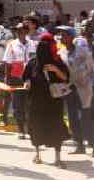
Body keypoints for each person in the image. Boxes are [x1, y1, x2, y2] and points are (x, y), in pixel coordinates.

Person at [23, 34, 71, 168]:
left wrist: (55, 70)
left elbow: (66, 78)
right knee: (36, 127)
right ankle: (37, 155)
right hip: (36, 102)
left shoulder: (57, 62)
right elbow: (26, 78)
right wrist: (27, 83)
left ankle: (57, 158)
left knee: (55, 127)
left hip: (53, 102)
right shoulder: (32, 63)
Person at [56, 26, 94, 157]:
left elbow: (92, 70)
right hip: (69, 90)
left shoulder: (83, 51)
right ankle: (79, 145)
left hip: (83, 89)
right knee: (72, 118)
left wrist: (80, 76)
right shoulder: (61, 52)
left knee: (85, 118)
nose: (61, 37)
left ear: (71, 36)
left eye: (63, 35)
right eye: (60, 35)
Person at [4, 23, 35, 138]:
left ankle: (30, 129)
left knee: (29, 104)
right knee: (18, 105)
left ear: (26, 32)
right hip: (15, 78)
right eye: (17, 31)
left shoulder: (32, 44)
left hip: (29, 78)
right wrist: (7, 79)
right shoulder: (11, 44)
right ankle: (21, 130)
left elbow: (34, 60)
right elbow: (7, 63)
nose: (19, 33)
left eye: (22, 31)